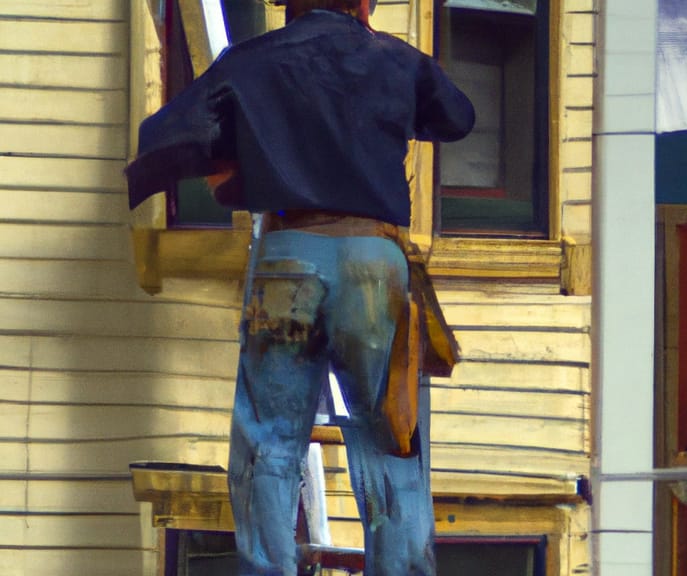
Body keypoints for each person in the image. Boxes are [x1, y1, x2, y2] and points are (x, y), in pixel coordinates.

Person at [125, 1, 475, 574]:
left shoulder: (251, 58)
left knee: (269, 439)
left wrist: (233, 161)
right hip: (374, 261)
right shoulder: (396, 59)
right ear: (362, 5)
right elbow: (458, 117)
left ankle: (267, 567)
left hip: (287, 256)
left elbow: (164, 135)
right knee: (393, 438)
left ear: (290, 5)